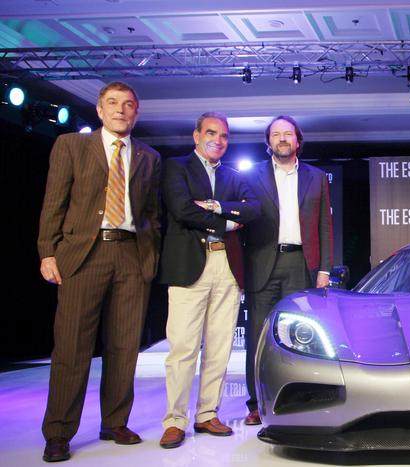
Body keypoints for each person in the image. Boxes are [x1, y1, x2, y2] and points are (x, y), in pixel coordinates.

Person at [37, 81, 161, 462]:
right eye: (113, 102)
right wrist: (47, 251)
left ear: (136, 112)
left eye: (128, 104)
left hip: (131, 256)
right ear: (99, 110)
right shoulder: (71, 146)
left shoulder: (149, 157)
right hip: (84, 255)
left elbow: (152, 214)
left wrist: (150, 256)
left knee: (124, 346)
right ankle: (59, 432)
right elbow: (54, 201)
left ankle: (115, 422)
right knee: (72, 346)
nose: (121, 109)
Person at [157, 112, 259, 448]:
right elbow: (182, 209)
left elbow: (254, 209)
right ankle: (175, 421)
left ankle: (206, 414)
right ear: (196, 135)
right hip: (189, 265)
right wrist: (227, 221)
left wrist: (215, 206)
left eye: (224, 135)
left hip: (227, 267)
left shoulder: (233, 176)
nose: (218, 140)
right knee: (183, 348)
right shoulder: (177, 167)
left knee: (219, 347)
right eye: (211, 133)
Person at [242, 115, 333, 425]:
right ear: (268, 142)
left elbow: (325, 226)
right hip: (261, 263)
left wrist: (324, 269)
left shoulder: (316, 177)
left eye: (288, 134)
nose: (282, 138)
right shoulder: (251, 176)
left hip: (300, 264)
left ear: (297, 140)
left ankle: (298, 400)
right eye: (276, 134)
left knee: (300, 336)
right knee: (258, 337)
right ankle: (256, 403)